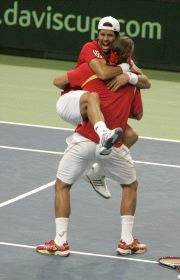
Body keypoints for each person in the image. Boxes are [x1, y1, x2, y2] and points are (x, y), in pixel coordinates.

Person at [36, 37, 150, 257]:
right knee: (130, 186)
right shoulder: (133, 84)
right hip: (113, 147)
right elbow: (138, 114)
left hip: (84, 141)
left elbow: (61, 82)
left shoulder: (91, 72)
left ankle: (60, 243)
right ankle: (126, 242)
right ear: (130, 56)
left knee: (62, 186)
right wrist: (128, 85)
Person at [54, 25, 150, 198]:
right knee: (92, 99)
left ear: (116, 39)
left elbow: (146, 81)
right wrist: (74, 90)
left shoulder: (126, 71)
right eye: (102, 34)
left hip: (95, 109)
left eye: (110, 35)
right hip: (73, 105)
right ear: (97, 36)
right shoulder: (92, 64)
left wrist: (129, 76)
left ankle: (97, 172)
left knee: (131, 135)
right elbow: (59, 81)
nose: (105, 38)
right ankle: (102, 134)